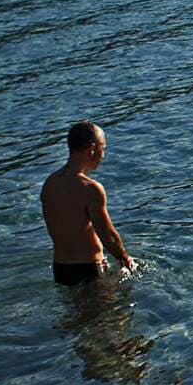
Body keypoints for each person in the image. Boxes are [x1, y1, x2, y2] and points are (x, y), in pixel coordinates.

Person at [41, 121, 135, 285]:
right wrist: (125, 258)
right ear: (92, 149)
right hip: (88, 268)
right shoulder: (90, 189)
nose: (103, 155)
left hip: (60, 268)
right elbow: (107, 235)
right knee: (111, 310)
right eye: (103, 149)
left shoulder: (50, 183)